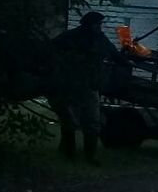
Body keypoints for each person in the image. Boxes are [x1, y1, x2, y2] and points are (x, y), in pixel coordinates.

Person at [48, 11, 130, 165]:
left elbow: (114, 55)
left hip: (87, 85)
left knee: (87, 121)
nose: (100, 27)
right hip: (72, 86)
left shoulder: (95, 39)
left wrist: (126, 61)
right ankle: (72, 153)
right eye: (98, 24)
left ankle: (84, 155)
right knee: (75, 120)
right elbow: (52, 49)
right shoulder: (74, 37)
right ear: (91, 25)